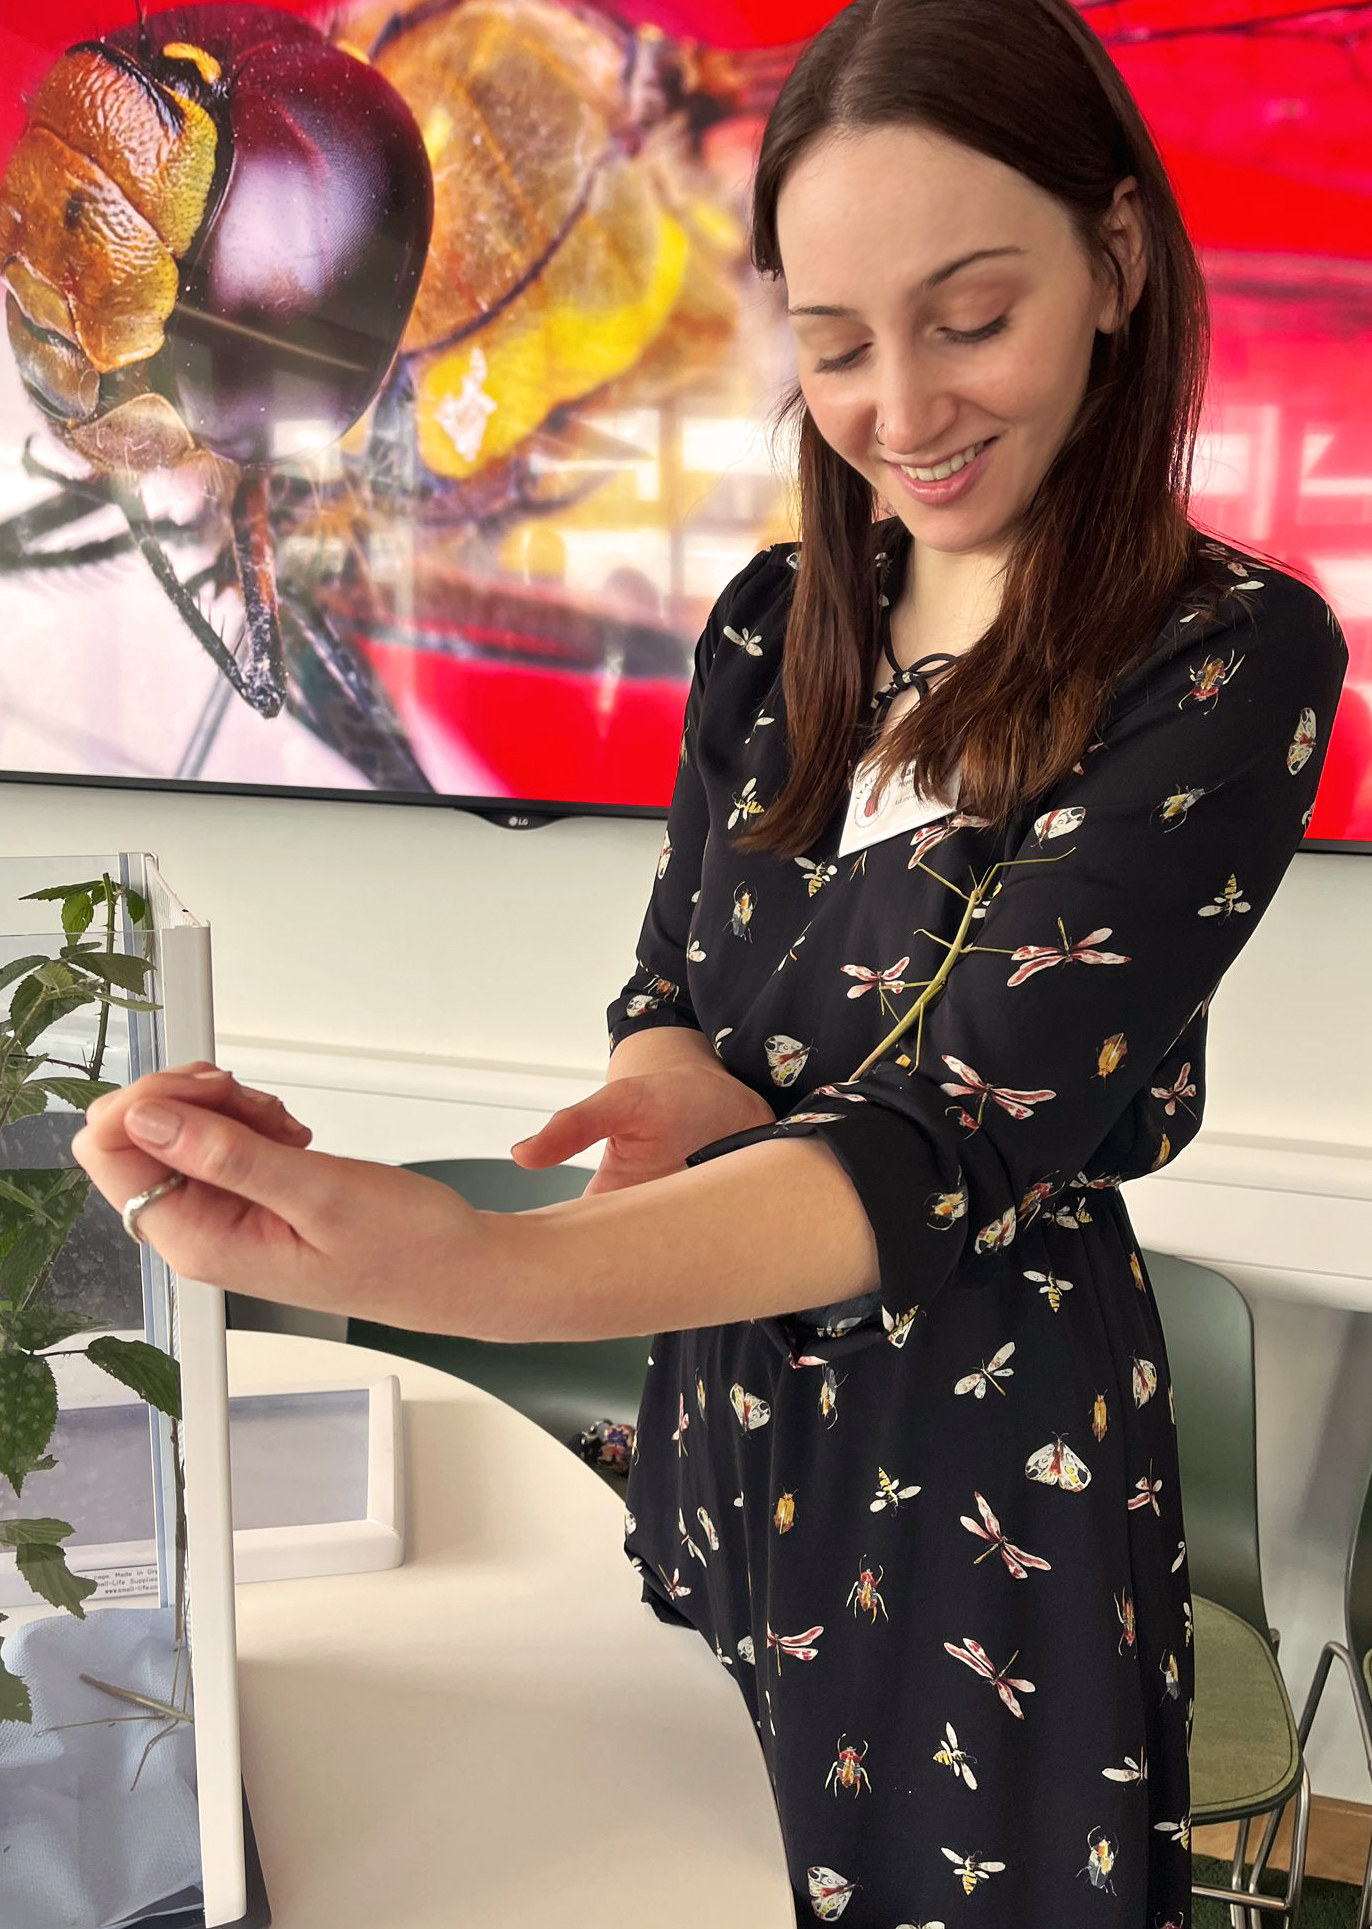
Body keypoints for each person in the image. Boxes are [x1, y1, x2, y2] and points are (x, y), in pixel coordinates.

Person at [72, 0, 1348, 1920]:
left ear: (1115, 260)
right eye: (834, 346)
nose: (901, 410)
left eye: (971, 319)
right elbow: (682, 978)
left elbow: (938, 1139)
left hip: (985, 1476)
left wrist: (485, 1264)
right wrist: (663, 1081)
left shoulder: (1224, 659)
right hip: (722, 1420)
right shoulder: (775, 621)